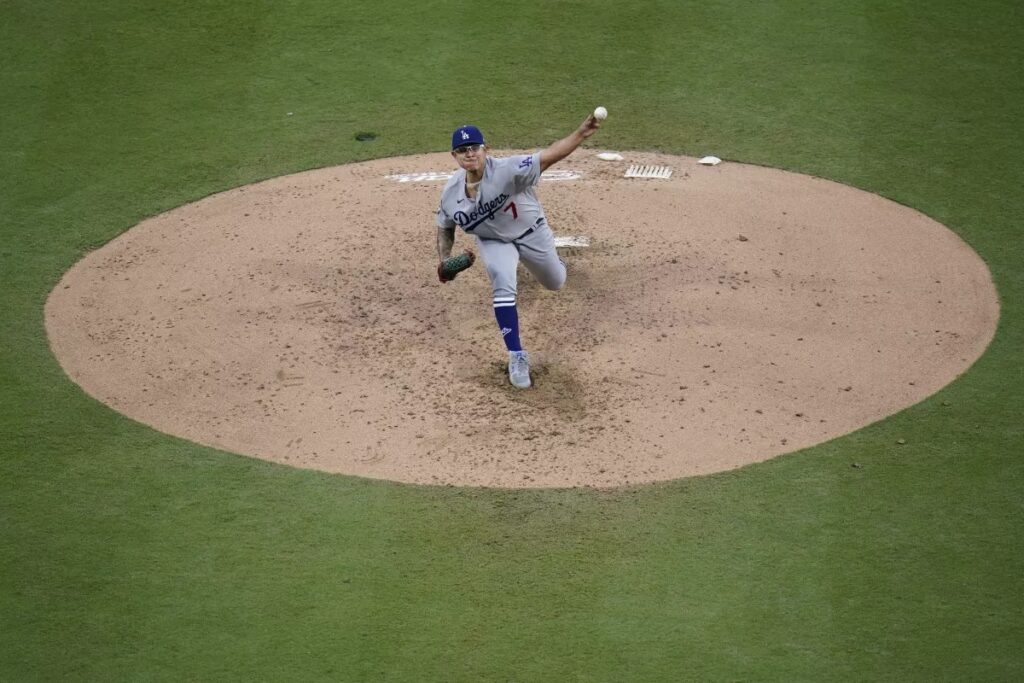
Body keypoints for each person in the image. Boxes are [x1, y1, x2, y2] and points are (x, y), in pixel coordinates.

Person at [435, 114, 601, 388]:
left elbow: (547, 157)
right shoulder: (450, 193)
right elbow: (445, 226)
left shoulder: (508, 170)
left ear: (485, 149)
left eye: (474, 147)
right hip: (493, 241)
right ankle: (516, 354)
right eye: (463, 150)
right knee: (502, 280)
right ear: (454, 155)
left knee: (555, 282)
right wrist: (444, 260)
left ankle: (551, 263)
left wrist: (581, 133)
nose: (470, 153)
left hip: (531, 232)